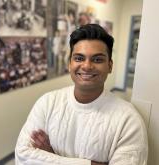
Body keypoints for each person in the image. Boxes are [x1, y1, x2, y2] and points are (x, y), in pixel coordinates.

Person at [15, 24, 148, 165]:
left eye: (97, 59)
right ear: (69, 64)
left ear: (110, 65)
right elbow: (22, 155)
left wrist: (50, 156)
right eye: (79, 58)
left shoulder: (128, 120)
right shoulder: (47, 103)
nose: (86, 66)